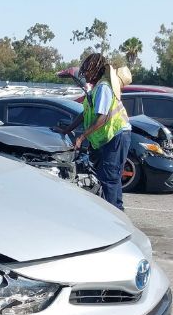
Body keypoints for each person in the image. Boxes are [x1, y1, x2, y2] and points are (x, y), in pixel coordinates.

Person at [56, 53, 131, 210]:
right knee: (108, 177)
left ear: (96, 70)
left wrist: (81, 137)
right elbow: (84, 114)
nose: (85, 74)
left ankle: (115, 215)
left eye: (88, 71)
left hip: (117, 135)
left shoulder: (103, 88)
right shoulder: (95, 89)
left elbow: (102, 118)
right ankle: (114, 211)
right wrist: (67, 130)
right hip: (110, 137)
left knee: (110, 178)